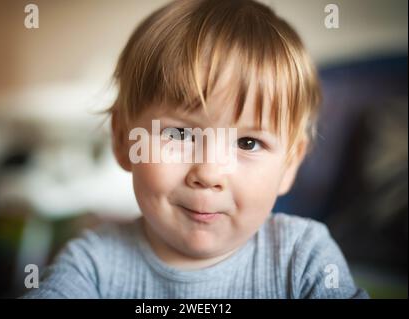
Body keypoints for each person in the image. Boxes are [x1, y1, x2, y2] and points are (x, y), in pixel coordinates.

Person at [23, 0, 368, 299]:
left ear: (289, 166)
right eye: (179, 134)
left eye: (249, 142)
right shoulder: (93, 264)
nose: (208, 173)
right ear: (123, 140)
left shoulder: (302, 258)